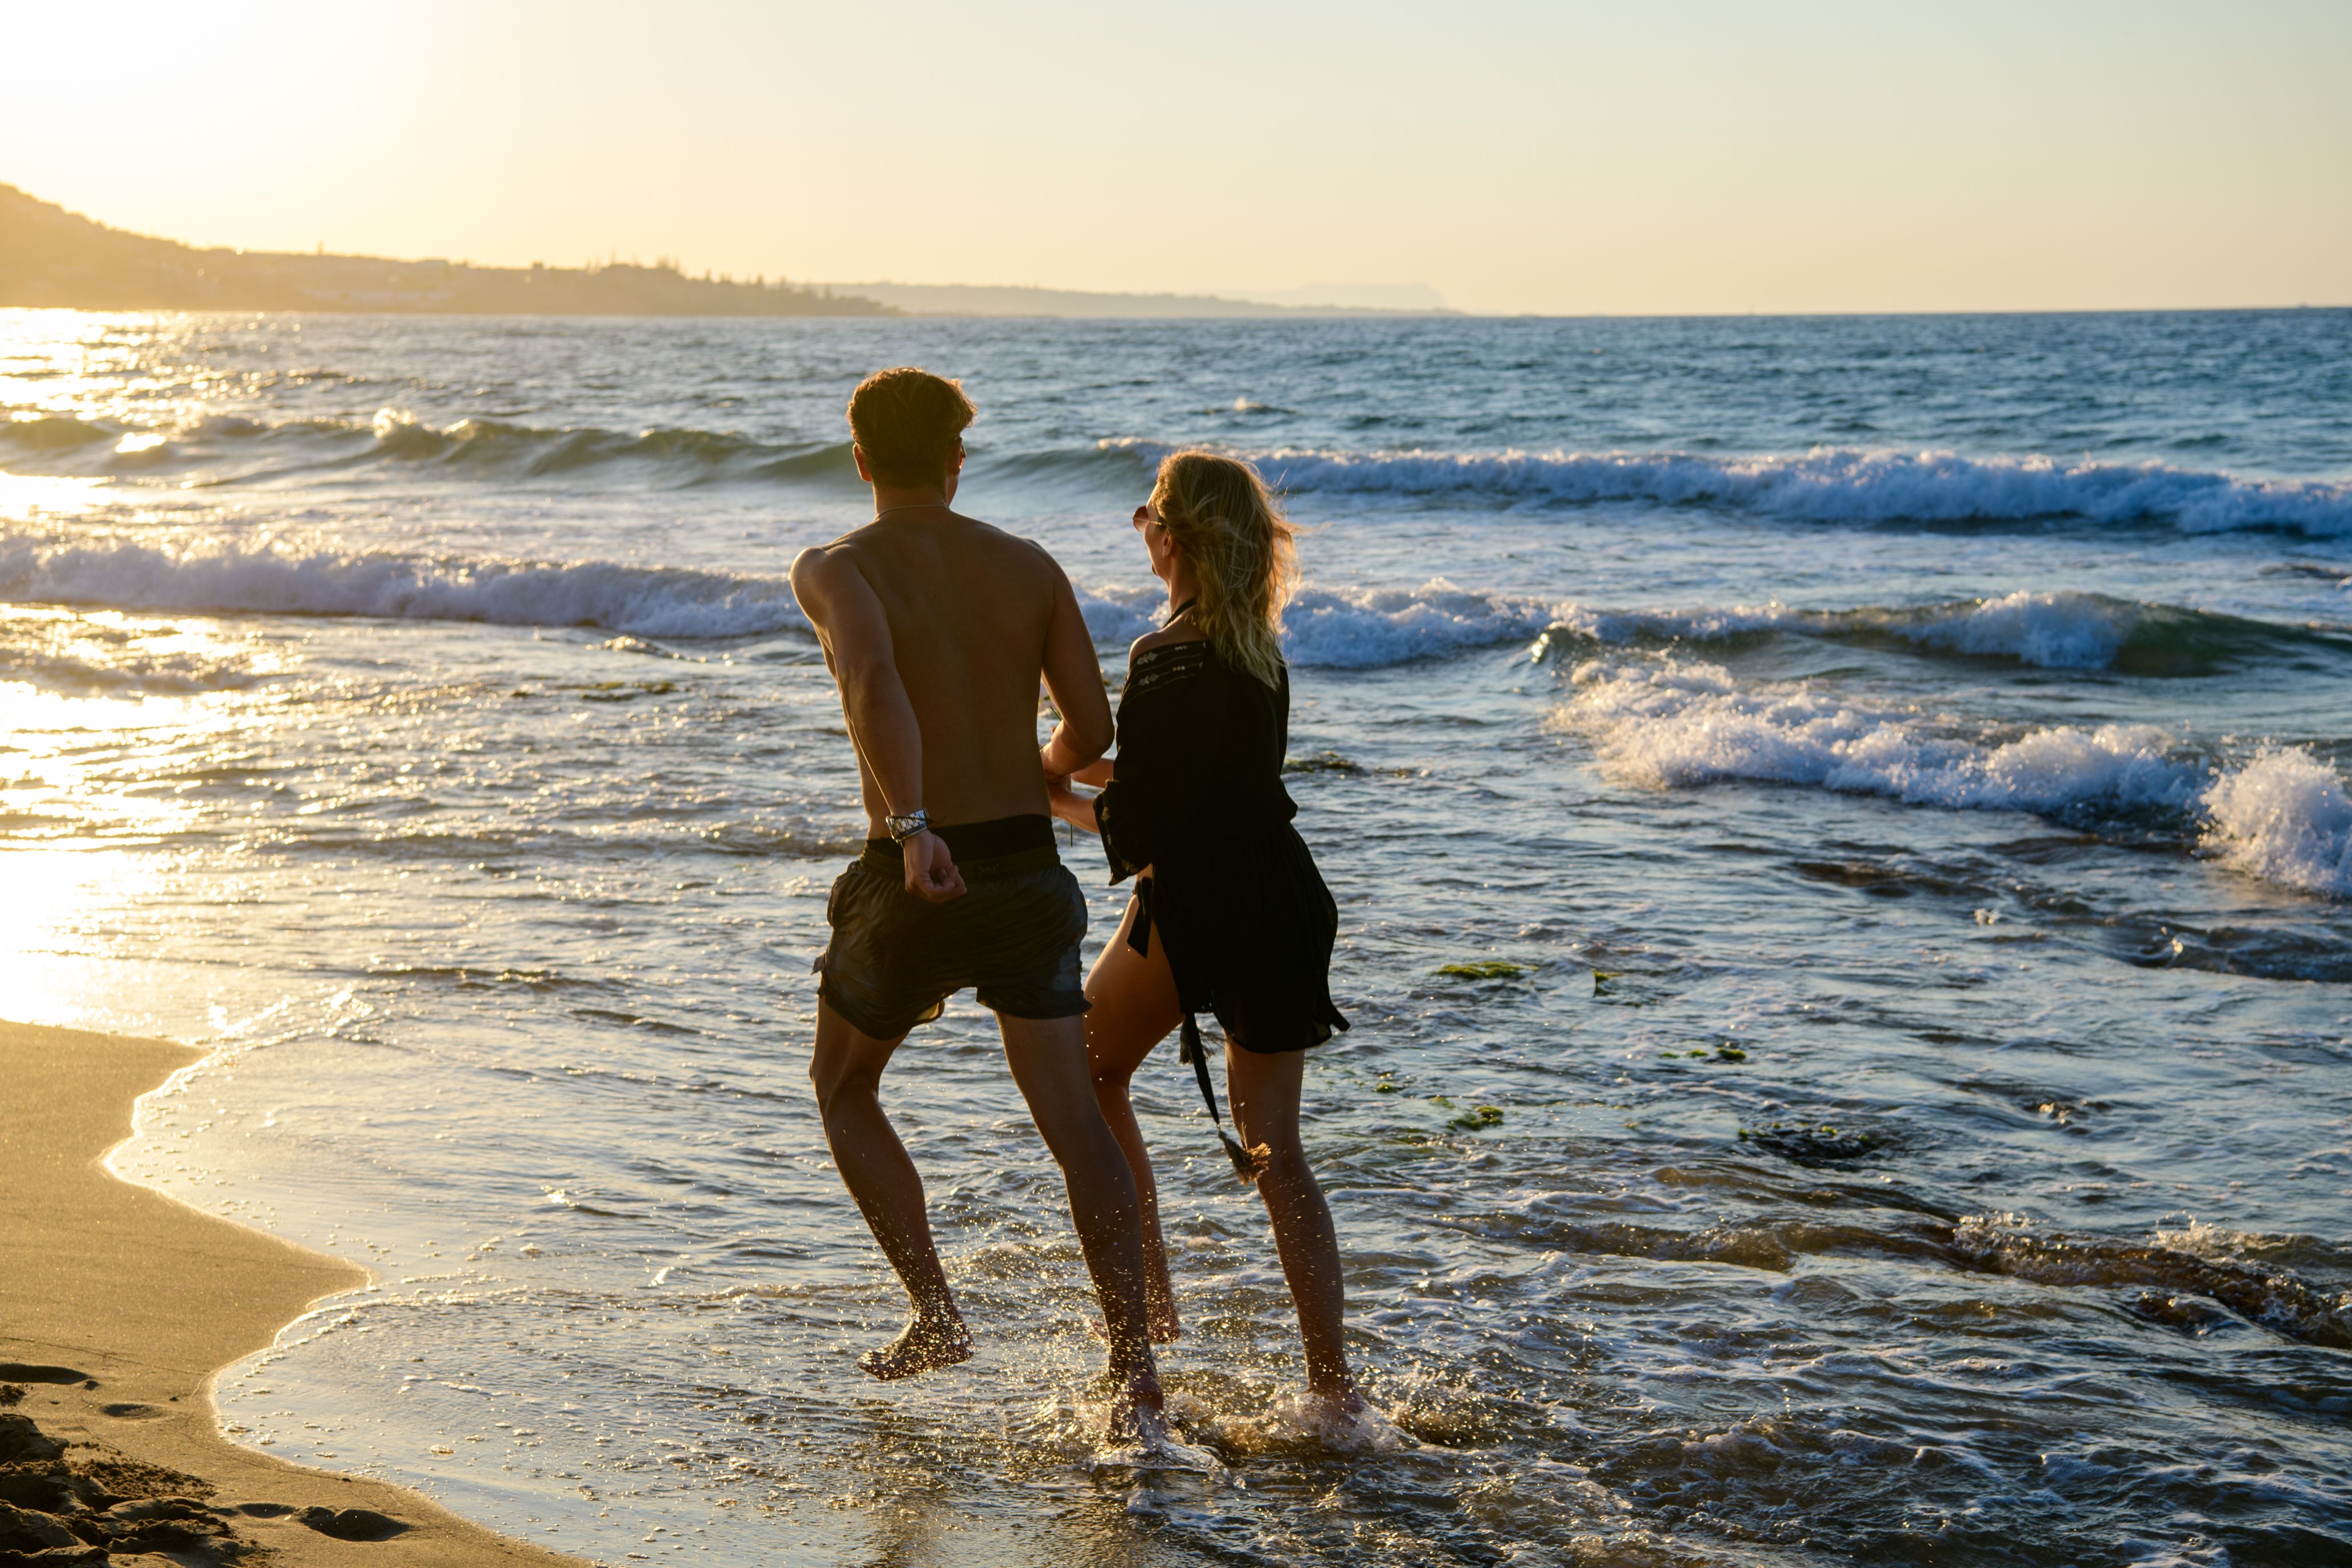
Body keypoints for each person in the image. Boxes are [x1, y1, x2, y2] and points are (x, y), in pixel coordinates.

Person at [791, 366, 1162, 1432]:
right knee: (1076, 1126)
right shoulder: (1032, 568)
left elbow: (871, 679)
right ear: (960, 459)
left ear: (859, 457)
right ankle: (1133, 1373)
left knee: (845, 1087)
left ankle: (936, 1311)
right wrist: (1026, 768)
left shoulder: (833, 568)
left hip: (913, 873)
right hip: (1027, 876)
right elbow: (1092, 734)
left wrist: (913, 832)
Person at [1043, 450, 1359, 1416]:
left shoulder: (1162, 653)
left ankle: (1148, 1317)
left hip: (1202, 901)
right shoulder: (1254, 649)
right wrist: (1073, 781)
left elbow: (1145, 821)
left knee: (1089, 1067)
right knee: (1277, 1150)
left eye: (1145, 515)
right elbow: (1196, 787)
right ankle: (1333, 1392)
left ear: (1172, 535)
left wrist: (1046, 794)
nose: (1139, 529)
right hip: (1281, 896)